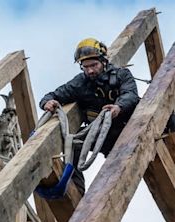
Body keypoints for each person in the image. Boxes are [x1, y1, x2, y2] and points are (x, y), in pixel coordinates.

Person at [39, 38, 139, 195]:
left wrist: (118, 107)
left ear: (103, 61)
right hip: (101, 135)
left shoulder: (121, 75)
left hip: (127, 130)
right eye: (86, 67)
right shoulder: (81, 83)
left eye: (94, 65)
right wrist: (47, 101)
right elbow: (56, 94)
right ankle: (76, 192)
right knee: (74, 146)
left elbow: (131, 95)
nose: (90, 70)